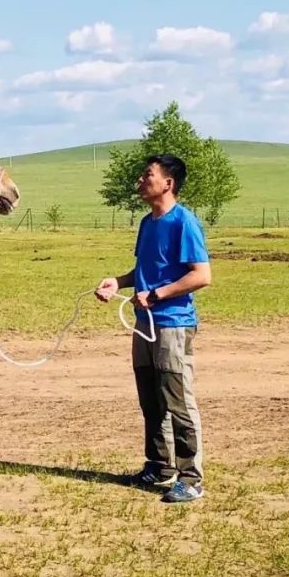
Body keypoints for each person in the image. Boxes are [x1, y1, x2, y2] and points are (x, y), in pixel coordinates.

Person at [95, 154, 211, 503]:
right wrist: (118, 282)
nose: (140, 181)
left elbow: (201, 275)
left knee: (178, 402)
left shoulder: (183, 223)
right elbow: (144, 271)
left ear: (168, 183)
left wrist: (158, 294)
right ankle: (160, 466)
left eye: (148, 175)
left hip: (173, 325)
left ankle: (191, 479)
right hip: (144, 325)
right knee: (151, 400)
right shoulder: (148, 223)